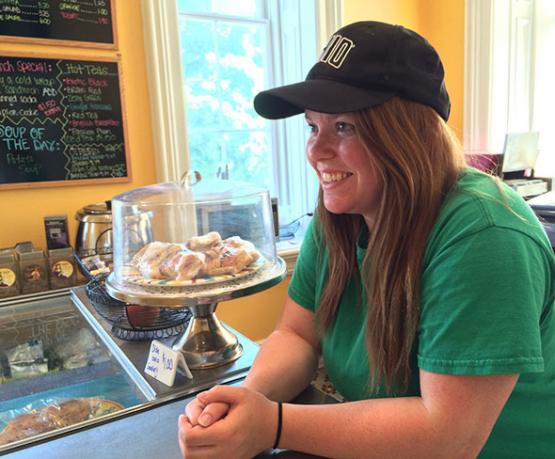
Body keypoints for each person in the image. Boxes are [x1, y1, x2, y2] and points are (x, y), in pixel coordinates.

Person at [178, 21, 555, 459]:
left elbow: (449, 435)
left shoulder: (485, 235)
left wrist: (273, 425)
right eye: (312, 127)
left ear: (407, 135)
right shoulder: (340, 213)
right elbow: (298, 336)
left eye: (343, 127)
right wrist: (246, 403)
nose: (316, 152)